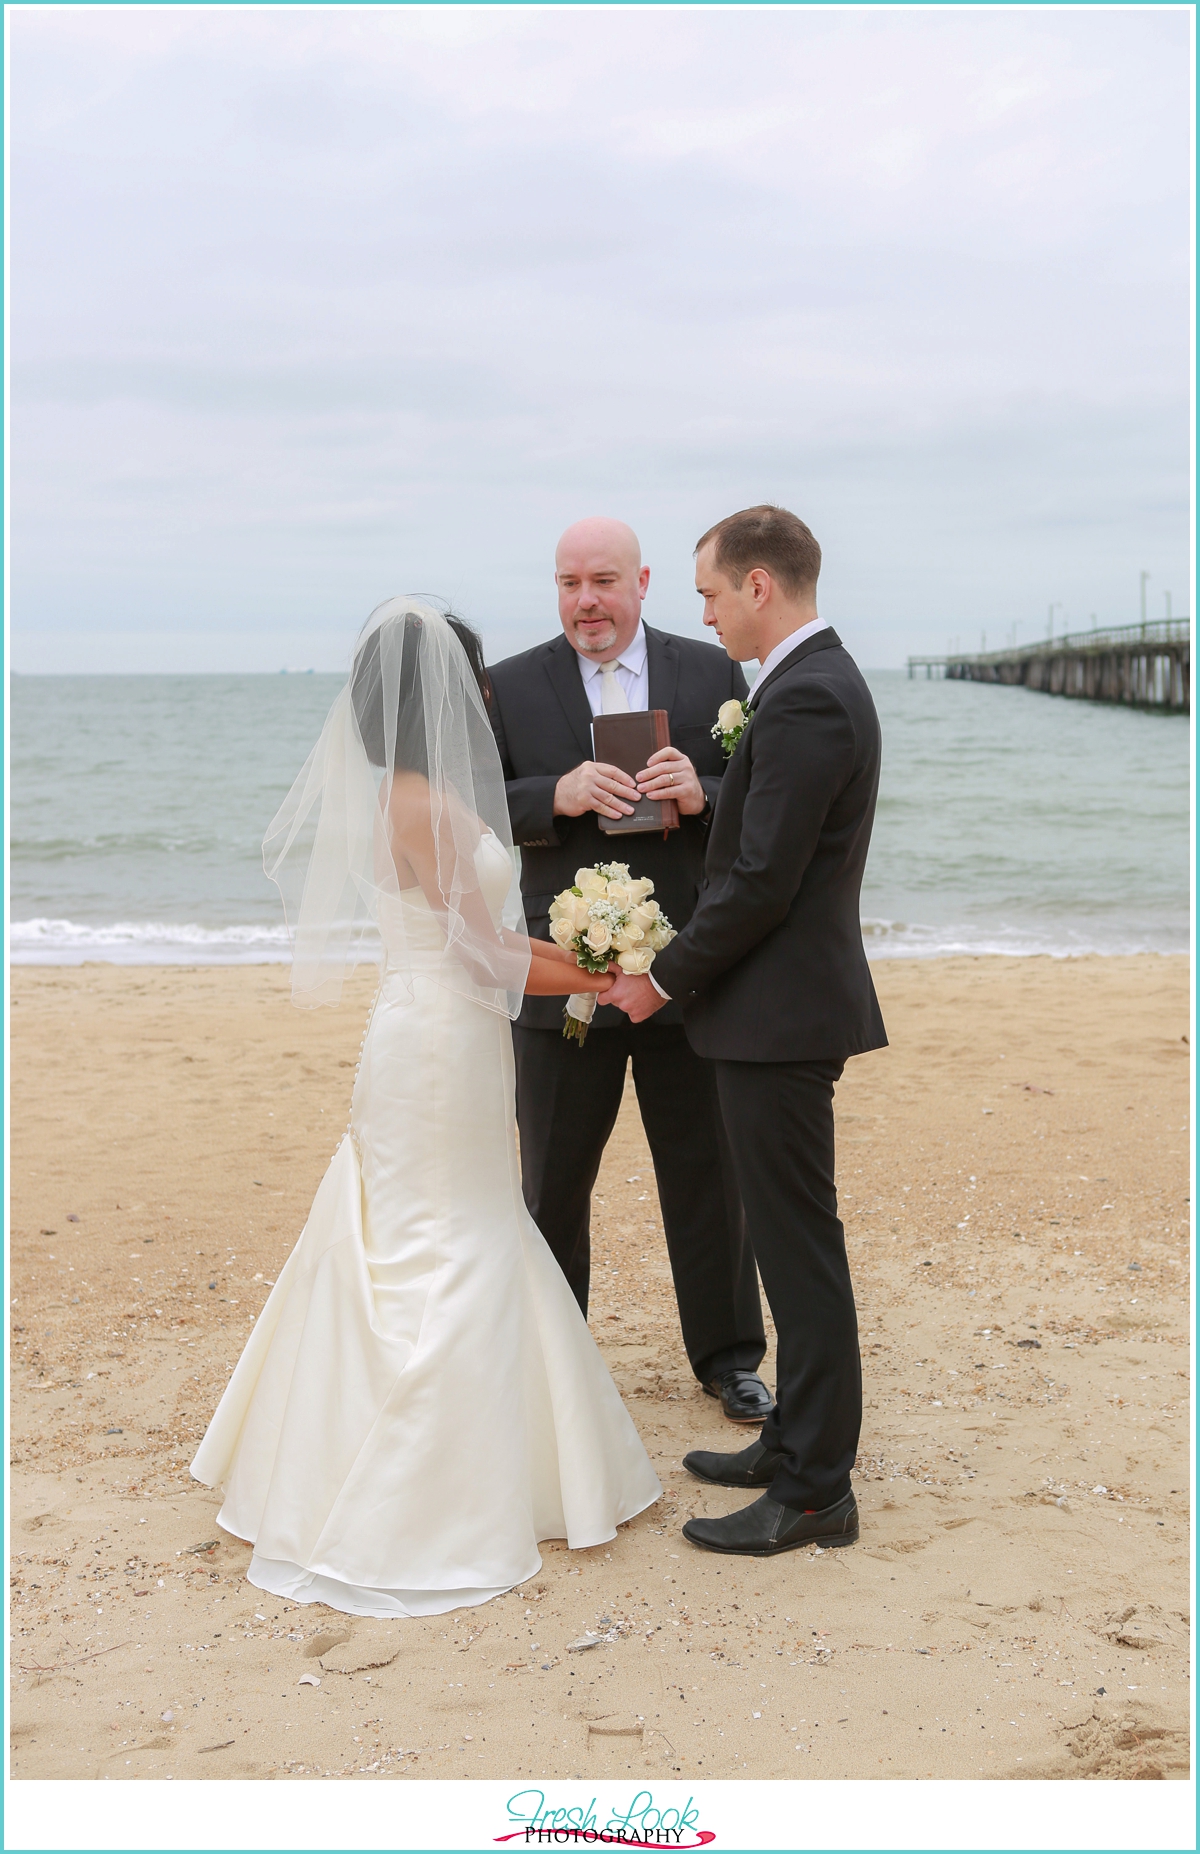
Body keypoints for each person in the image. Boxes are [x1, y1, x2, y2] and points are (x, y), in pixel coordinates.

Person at [191, 598, 660, 1618]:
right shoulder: (428, 809)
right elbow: (485, 955)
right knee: (450, 1236)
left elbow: (481, 945)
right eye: (472, 675)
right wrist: (597, 977)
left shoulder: (409, 797)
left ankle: (489, 1456)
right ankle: (428, 1485)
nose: (485, 691)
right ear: (449, 692)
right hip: (438, 1045)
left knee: (433, 1225)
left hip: (436, 1032)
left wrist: (590, 961)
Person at [606, 506, 887, 1557]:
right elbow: (766, 844)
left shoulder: (809, 695)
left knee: (800, 1250)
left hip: (780, 1018)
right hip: (769, 1012)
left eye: (712, 596)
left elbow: (766, 880)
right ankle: (790, 1451)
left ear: (760, 586)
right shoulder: (803, 688)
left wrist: (662, 981)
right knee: (784, 1241)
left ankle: (817, 1489)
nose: (710, 616)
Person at [487, 518, 771, 1425]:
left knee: (707, 1174)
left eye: (602, 581)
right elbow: (468, 809)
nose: (585, 602)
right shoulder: (509, 685)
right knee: (553, 1182)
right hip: (560, 977)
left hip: (686, 969)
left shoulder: (712, 674)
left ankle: (729, 1358)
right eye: (568, 583)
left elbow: (763, 799)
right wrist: (553, 795)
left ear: (642, 582)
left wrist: (704, 794)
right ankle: (550, 1352)